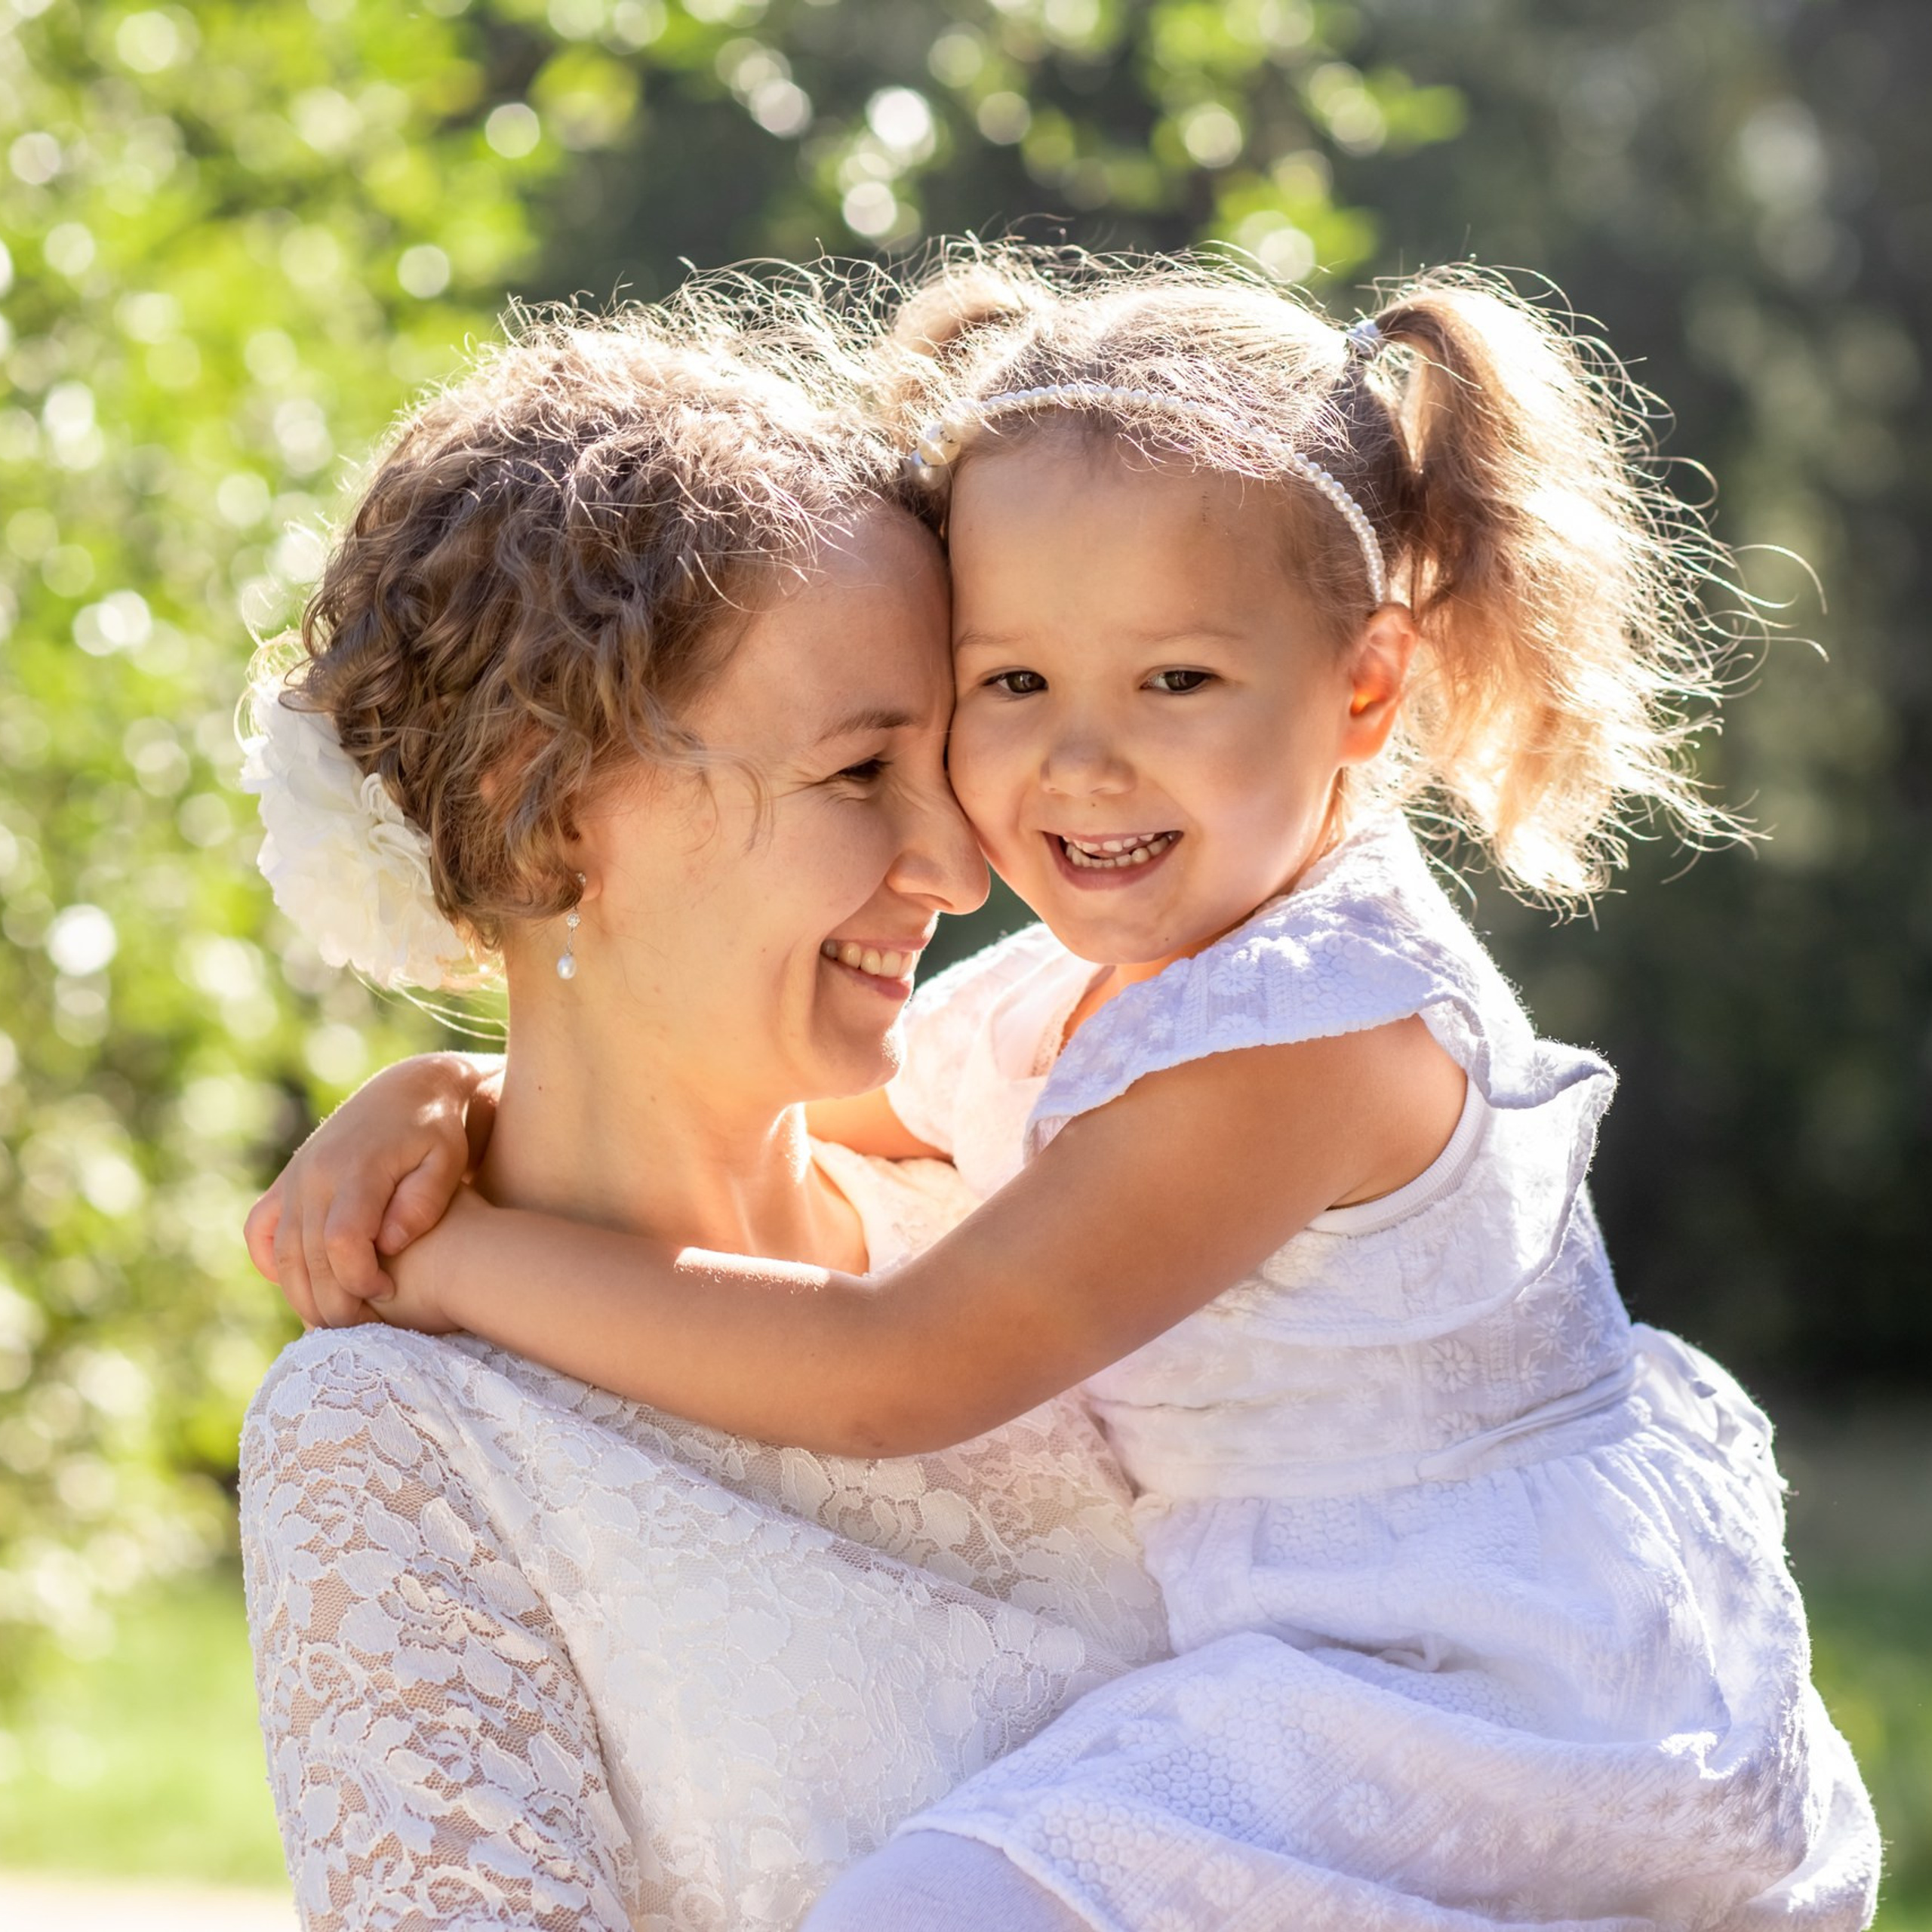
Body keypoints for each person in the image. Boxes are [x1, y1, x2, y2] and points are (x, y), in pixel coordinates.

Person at [258, 252, 1881, 1932]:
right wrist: (448, 1094)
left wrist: (450, 1253)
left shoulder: (1261, 1051)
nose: (979, 846)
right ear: (541, 809)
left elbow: (893, 1367)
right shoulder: (1083, 1026)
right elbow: (902, 1126)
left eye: (1172, 680)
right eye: (992, 698)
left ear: (1364, 687)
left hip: (1481, 1687)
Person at [233, 286, 1170, 1932]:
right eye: (858, 771)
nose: (961, 869)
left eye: (950, 759)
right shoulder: (398, 1431)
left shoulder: (1025, 1206)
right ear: (545, 809)